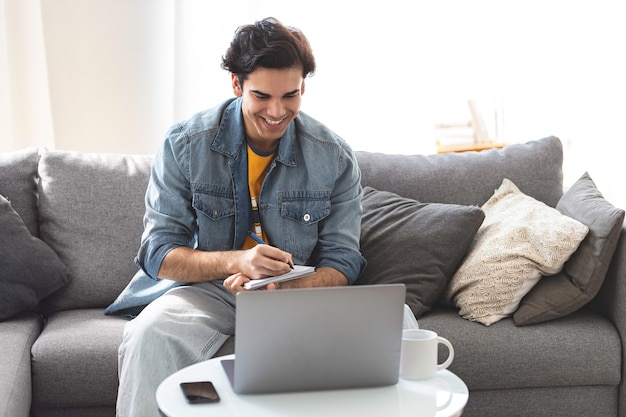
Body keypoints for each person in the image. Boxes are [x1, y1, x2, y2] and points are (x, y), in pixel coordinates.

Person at [107, 17, 367, 416]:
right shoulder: (185, 144)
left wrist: (286, 291)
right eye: (262, 96)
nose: (277, 112)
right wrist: (236, 260)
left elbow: (343, 259)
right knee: (149, 333)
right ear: (236, 84)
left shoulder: (333, 155)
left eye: (291, 96)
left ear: (303, 87)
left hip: (299, 295)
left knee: (401, 326)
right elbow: (158, 253)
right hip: (210, 290)